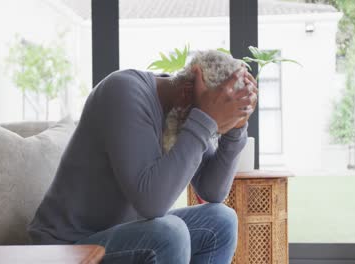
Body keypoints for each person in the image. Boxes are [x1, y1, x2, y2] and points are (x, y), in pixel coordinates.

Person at [28, 52, 258, 263]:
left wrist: (236, 129)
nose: (209, 130)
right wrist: (204, 120)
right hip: (66, 248)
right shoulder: (123, 91)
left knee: (221, 220)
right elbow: (152, 204)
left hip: (121, 237)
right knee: (169, 233)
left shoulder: (181, 111)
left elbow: (211, 191)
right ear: (188, 90)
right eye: (208, 121)